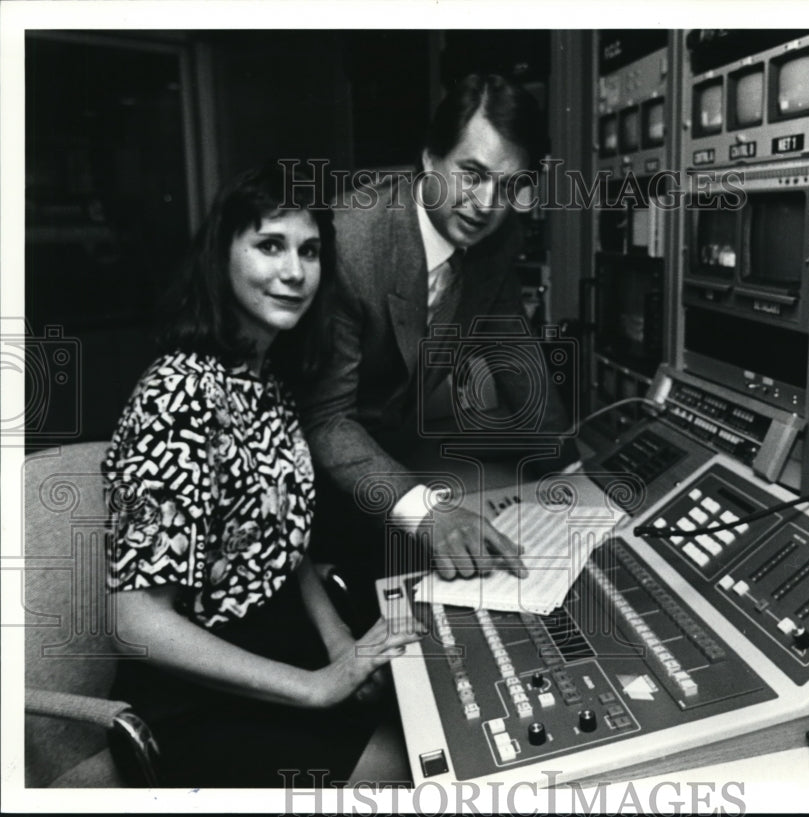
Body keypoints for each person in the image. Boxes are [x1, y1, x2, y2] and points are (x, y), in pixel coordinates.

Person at [102, 164, 420, 788]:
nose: (294, 272)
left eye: (309, 251)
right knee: (410, 770)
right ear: (221, 257)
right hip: (194, 699)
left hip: (279, 648)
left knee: (427, 720)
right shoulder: (178, 394)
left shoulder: (266, 382)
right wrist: (314, 687)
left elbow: (284, 547)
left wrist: (338, 649)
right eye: (269, 245)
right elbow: (135, 622)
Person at [298, 74, 578, 604]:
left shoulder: (499, 235)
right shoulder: (351, 243)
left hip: (392, 449)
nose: (484, 204)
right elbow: (326, 418)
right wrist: (425, 511)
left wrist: (570, 468)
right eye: (470, 174)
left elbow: (512, 346)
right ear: (429, 159)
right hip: (308, 478)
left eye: (508, 184)